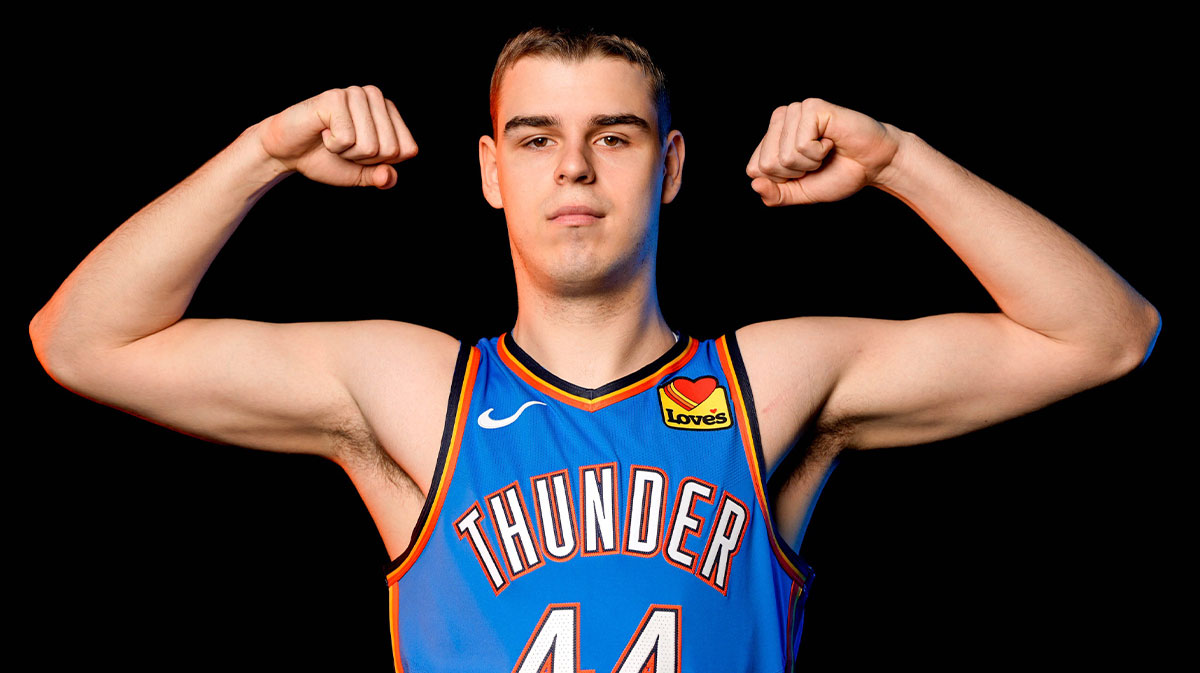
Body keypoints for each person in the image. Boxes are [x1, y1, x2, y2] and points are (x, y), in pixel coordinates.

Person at [29, 25, 1160, 672]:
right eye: (537, 139)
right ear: (491, 173)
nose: (573, 168)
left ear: (669, 168)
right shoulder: (419, 387)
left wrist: (903, 157)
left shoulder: (770, 381)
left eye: (613, 136)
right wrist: (260, 153)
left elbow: (1107, 336)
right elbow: (81, 341)